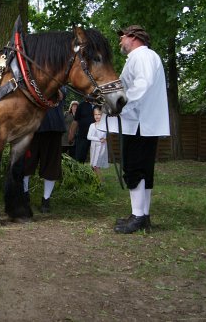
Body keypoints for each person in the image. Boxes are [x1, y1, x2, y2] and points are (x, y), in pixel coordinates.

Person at [102, 25, 170, 234]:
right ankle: (141, 215)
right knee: (142, 169)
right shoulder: (142, 57)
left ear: (132, 37)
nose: (120, 41)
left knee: (135, 168)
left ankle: (139, 216)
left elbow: (142, 84)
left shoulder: (142, 56)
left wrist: (120, 104)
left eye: (122, 37)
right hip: (141, 122)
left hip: (140, 123)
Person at [23, 88, 66, 213]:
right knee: (26, 164)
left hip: (54, 127)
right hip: (32, 127)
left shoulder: (60, 81)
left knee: (51, 166)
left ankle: (46, 200)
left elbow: (61, 93)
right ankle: (25, 196)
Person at [87, 107, 109, 181]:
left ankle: (101, 181)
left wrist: (105, 139)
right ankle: (96, 180)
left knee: (96, 165)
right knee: (93, 165)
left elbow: (106, 136)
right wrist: (99, 139)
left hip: (102, 148)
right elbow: (88, 137)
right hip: (94, 147)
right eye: (95, 114)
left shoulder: (105, 125)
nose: (97, 116)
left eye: (99, 114)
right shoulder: (92, 125)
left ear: (102, 115)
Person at [72, 96, 95, 163]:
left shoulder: (99, 106)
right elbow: (75, 120)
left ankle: (95, 172)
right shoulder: (81, 105)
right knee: (80, 156)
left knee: (95, 157)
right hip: (82, 136)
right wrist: (71, 134)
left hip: (95, 136)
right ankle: (78, 171)